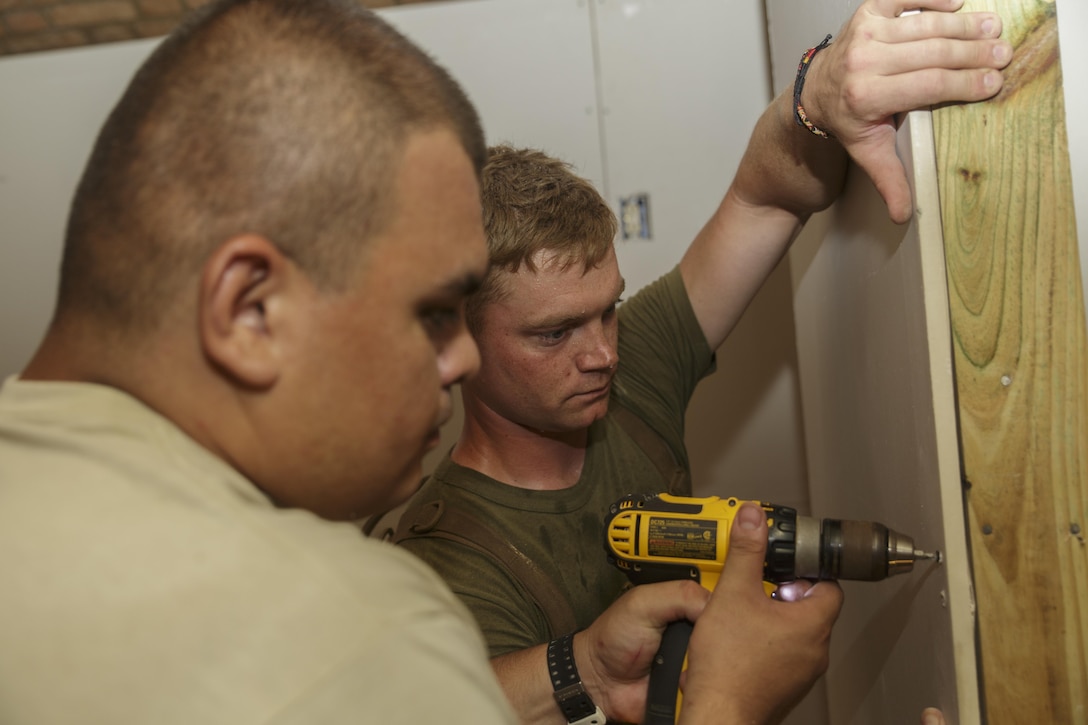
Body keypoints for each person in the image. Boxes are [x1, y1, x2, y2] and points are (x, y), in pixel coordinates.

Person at [0, 0, 851, 723]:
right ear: (249, 308)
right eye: (430, 313)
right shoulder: (359, 627)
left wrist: (819, 89)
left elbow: (762, 194)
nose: (457, 357)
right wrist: (727, 703)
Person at [389, 0, 1012, 719]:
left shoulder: (631, 370)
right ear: (458, 340)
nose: (602, 353)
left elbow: (764, 198)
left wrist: (819, 93)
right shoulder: (451, 570)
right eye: (553, 334)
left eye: (608, 309)